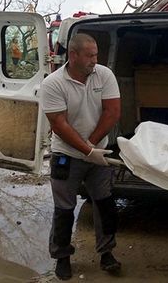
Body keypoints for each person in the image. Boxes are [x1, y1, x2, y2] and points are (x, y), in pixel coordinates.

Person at [40, 33, 121, 280]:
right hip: (66, 155)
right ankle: (62, 257)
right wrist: (86, 151)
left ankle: (107, 253)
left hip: (98, 152)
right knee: (64, 209)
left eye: (96, 54)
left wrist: (92, 146)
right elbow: (59, 124)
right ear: (73, 55)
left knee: (105, 204)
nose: (95, 60)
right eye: (90, 55)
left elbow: (112, 111)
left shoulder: (104, 75)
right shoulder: (53, 83)